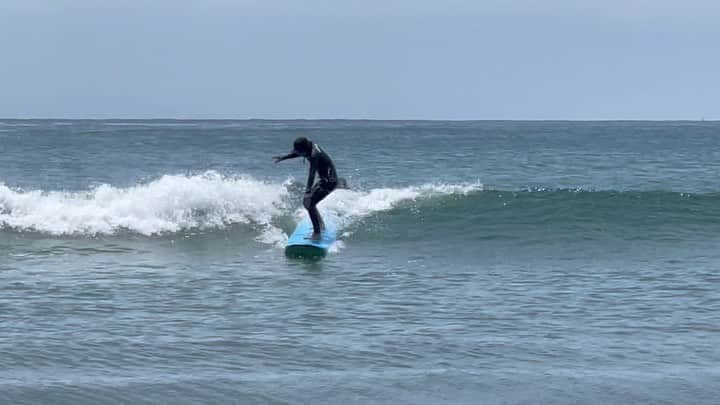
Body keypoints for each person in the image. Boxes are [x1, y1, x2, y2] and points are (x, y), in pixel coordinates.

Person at [273, 137, 338, 240]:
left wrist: (308, 190)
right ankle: (320, 225)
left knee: (310, 203)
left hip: (330, 182)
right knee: (307, 202)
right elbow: (297, 153)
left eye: (300, 151)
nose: (299, 154)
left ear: (305, 149)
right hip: (324, 180)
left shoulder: (314, 154)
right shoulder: (310, 147)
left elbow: (312, 173)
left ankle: (317, 233)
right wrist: (283, 157)